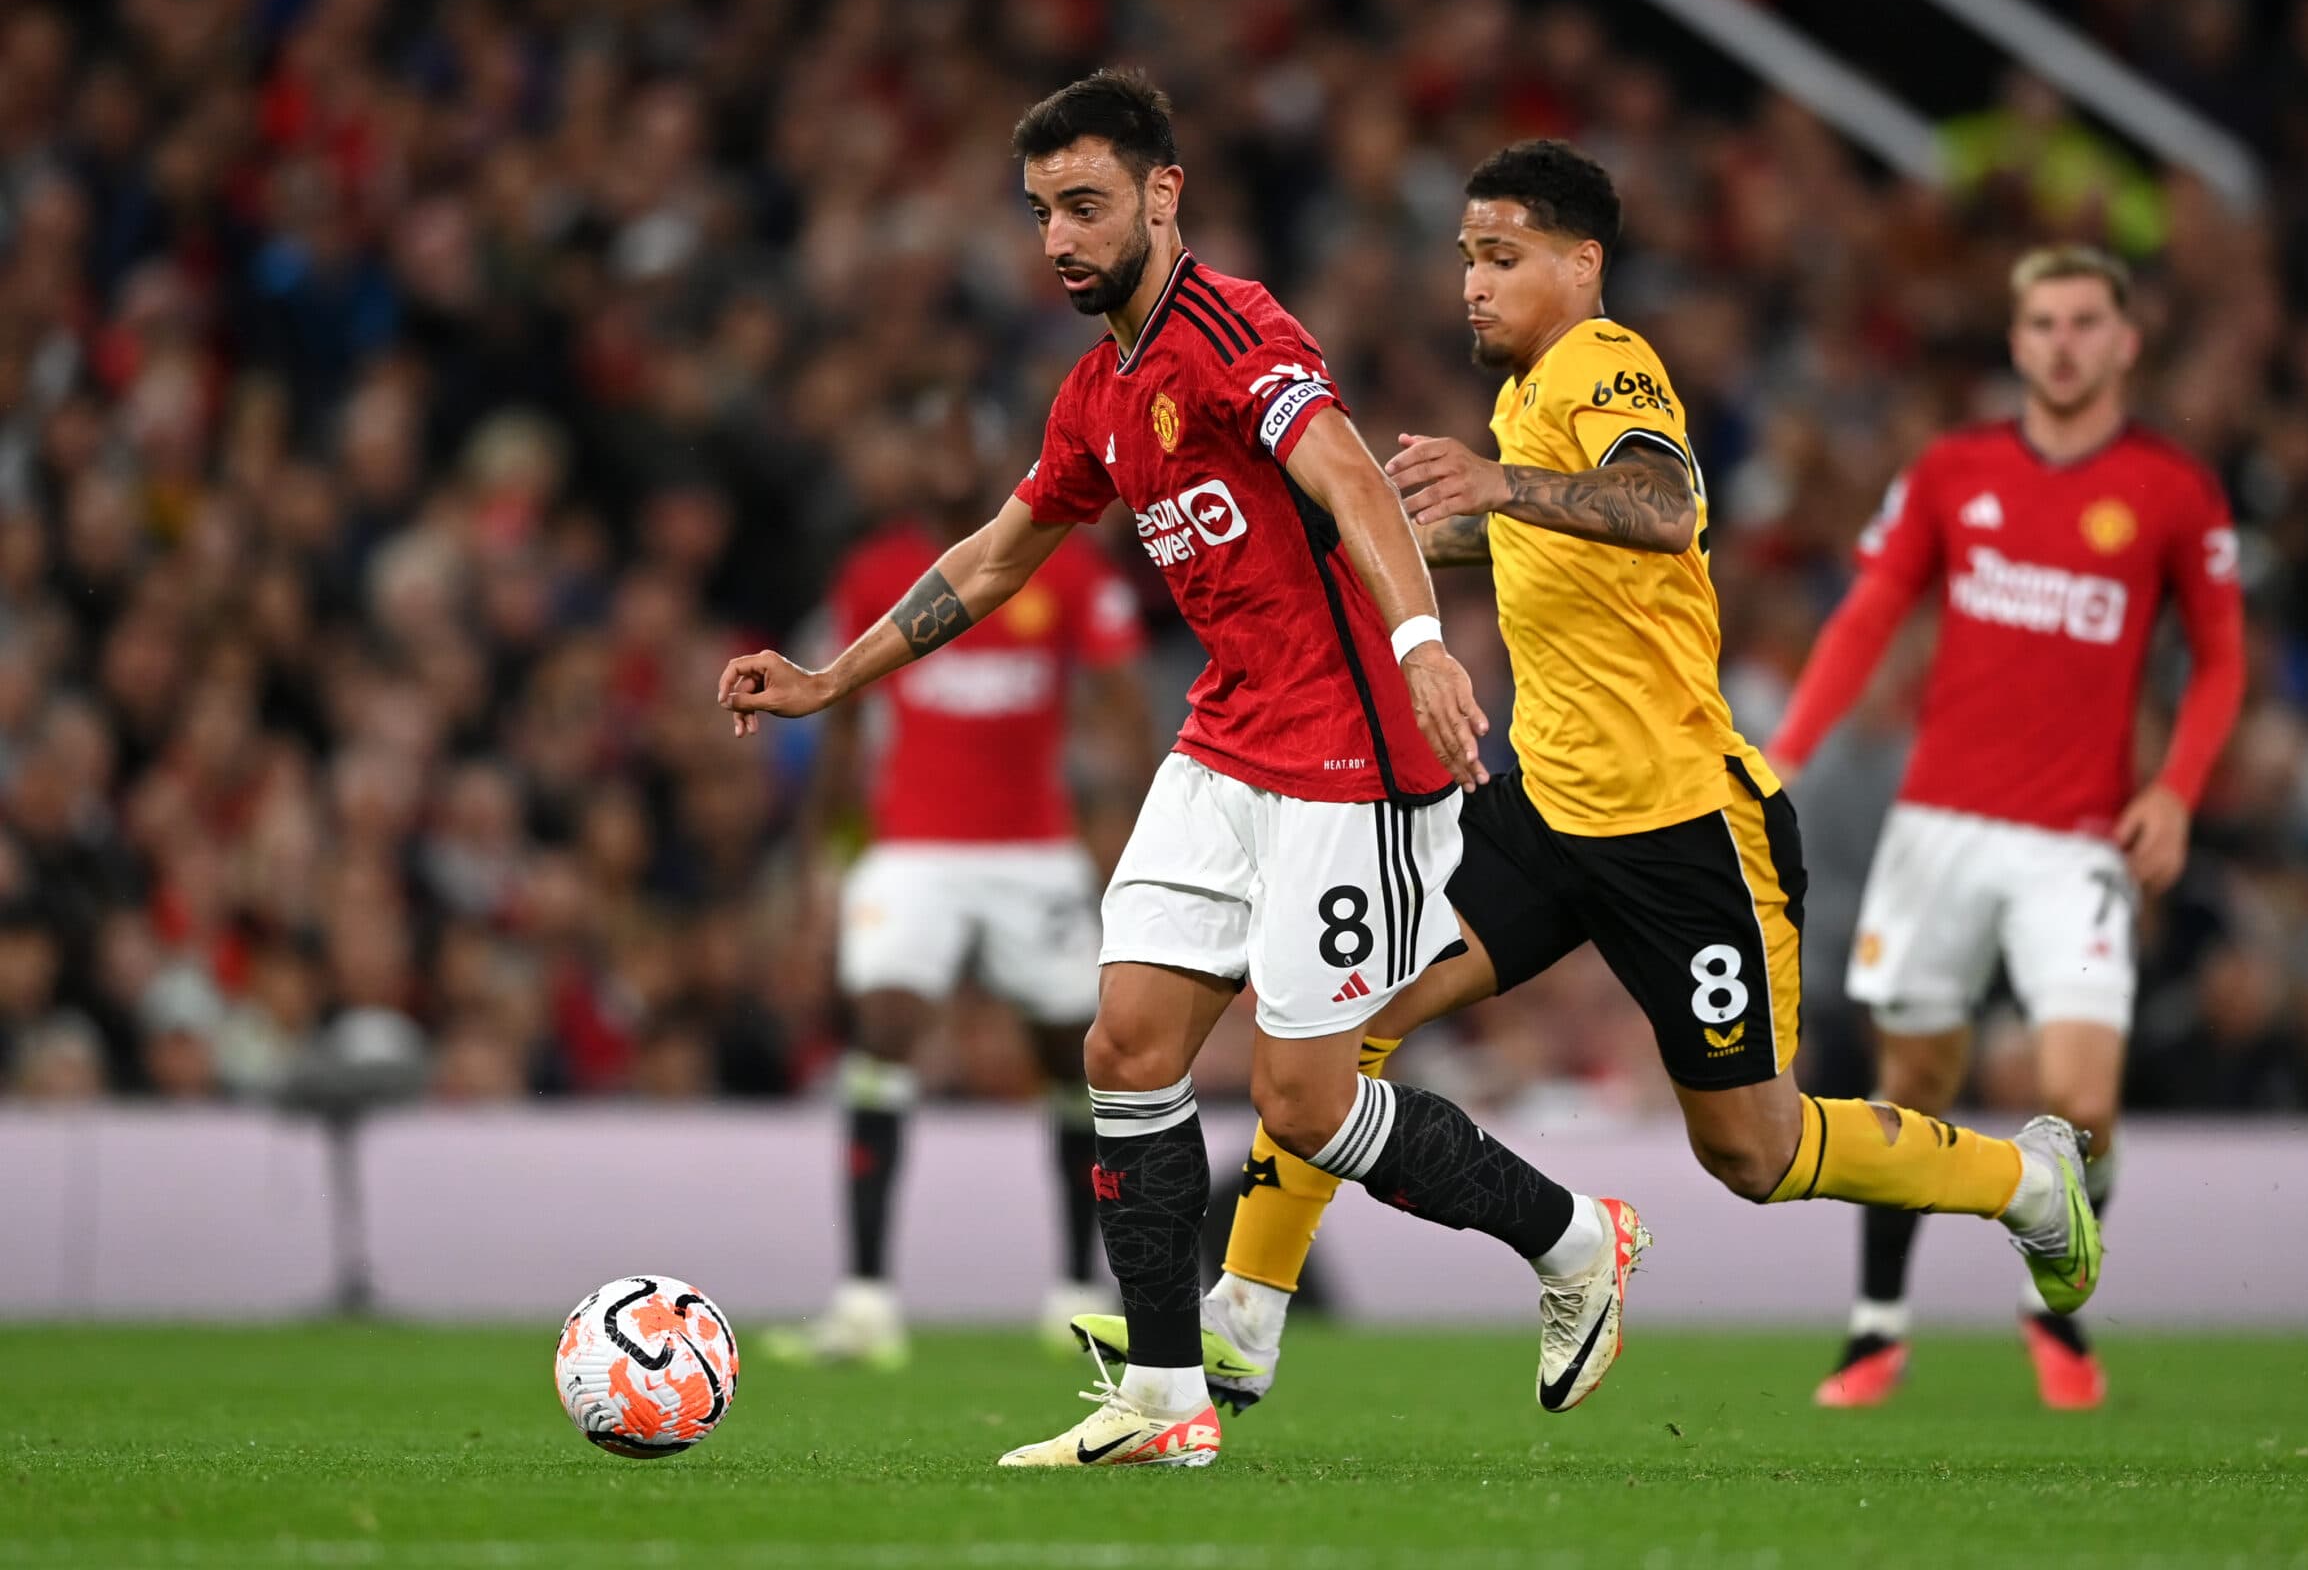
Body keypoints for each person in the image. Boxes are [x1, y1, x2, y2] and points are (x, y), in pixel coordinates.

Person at [1075, 140, 2104, 1415]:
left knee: (1755, 1149)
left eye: (1502, 258)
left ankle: (2025, 1182)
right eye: (1465, 258)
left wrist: (1497, 485)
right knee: (1345, 1017)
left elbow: (1665, 505)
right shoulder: (1521, 399)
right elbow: (1453, 538)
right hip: (1543, 811)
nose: (1473, 284)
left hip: (1681, 820)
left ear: (1584, 263)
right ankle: (1244, 1312)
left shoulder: (1605, 365)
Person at [719, 74, 1645, 1470]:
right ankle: (1164, 1398)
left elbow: (1349, 481)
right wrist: (830, 680)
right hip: (1223, 745)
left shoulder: (1238, 332)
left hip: (1356, 760)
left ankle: (1575, 1236)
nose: (1058, 242)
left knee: (1304, 1105)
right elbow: (996, 552)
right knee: (1123, 1051)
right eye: (1039, 214)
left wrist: (1422, 648)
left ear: (1164, 194)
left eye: (1085, 207)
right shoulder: (1101, 390)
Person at [1767, 244, 2246, 1410]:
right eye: (2042, 323)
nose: (2064, 343)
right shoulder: (1953, 471)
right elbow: (1871, 610)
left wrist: (2175, 786)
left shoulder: (2174, 491)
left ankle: (2053, 1306)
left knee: (2081, 1100)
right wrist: (1782, 752)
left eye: (2086, 322)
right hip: (1938, 831)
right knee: (1911, 1083)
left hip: (2077, 839)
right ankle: (1877, 1324)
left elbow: (2224, 661)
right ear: (2018, 341)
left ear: (2124, 342)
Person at [763, 417, 1153, 1370]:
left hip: (1035, 852)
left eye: (959, 440)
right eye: (926, 441)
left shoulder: (1063, 569)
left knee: (1075, 1057)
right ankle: (864, 1302)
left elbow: (1126, 709)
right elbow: (846, 729)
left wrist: (1131, 840)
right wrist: (822, 863)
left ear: (993, 460)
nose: (943, 458)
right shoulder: (873, 571)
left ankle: (1074, 1290)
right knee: (885, 1026)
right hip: (913, 849)